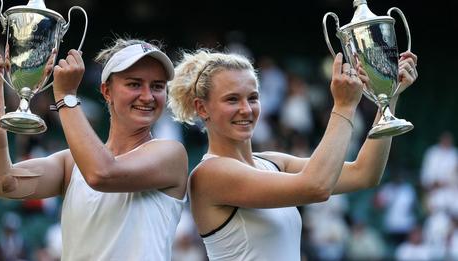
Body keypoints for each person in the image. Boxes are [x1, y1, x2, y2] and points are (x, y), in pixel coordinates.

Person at [168, 49, 417, 260]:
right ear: (202, 107)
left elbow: (365, 174)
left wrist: (388, 99)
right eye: (232, 99)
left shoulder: (273, 162)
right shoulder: (210, 174)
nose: (246, 109)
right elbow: (316, 187)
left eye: (252, 98)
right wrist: (343, 106)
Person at [0, 36, 188, 260]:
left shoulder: (171, 154)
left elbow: (101, 173)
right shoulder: (71, 163)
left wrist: (66, 97)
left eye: (157, 86)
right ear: (107, 92)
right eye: (134, 84)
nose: (148, 96)